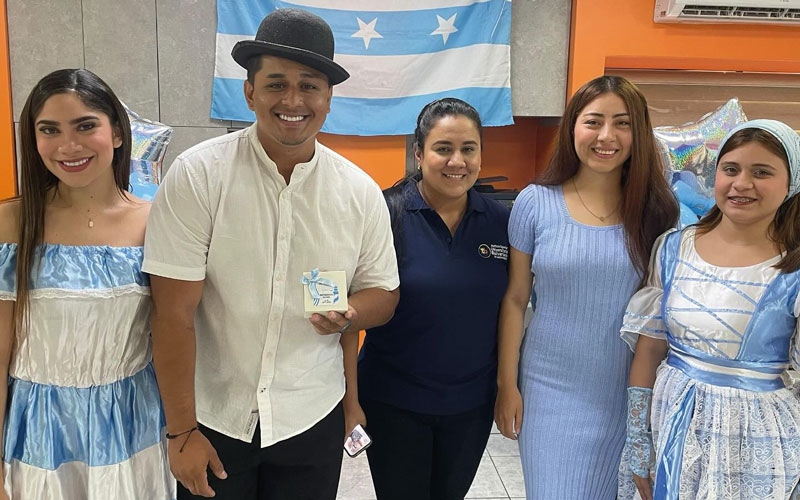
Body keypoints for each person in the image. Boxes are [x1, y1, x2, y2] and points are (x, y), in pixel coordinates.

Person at [142, 8, 399, 500]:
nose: (293, 100)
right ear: (249, 92)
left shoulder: (359, 192)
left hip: (311, 416)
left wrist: (350, 313)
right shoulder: (199, 177)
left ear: (328, 98)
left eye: (309, 85)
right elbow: (172, 313)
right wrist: (180, 433)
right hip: (214, 417)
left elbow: (383, 293)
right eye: (276, 84)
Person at [494, 75, 679, 499]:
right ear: (573, 127)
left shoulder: (658, 211)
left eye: (623, 123)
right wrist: (508, 385)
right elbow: (515, 299)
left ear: (639, 132)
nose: (606, 136)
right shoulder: (534, 203)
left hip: (627, 395)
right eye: (593, 121)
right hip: (549, 391)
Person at [0, 69, 174, 499]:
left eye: (85, 126)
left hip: (134, 423)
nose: (68, 145)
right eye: (49, 130)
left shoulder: (157, 222)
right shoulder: (12, 223)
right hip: (39, 430)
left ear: (116, 132)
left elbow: (178, 329)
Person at [618, 119, 800, 500]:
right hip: (672, 419)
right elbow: (649, 349)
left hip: (754, 434)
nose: (741, 183)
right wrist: (638, 442)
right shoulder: (673, 248)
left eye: (761, 172)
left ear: (791, 183)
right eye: (730, 169)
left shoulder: (793, 269)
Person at [357, 98, 510, 500]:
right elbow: (350, 308)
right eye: (443, 149)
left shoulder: (501, 221)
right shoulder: (386, 213)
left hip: (470, 408)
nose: (456, 161)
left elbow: (513, 305)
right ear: (419, 153)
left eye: (468, 149)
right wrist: (349, 398)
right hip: (393, 403)